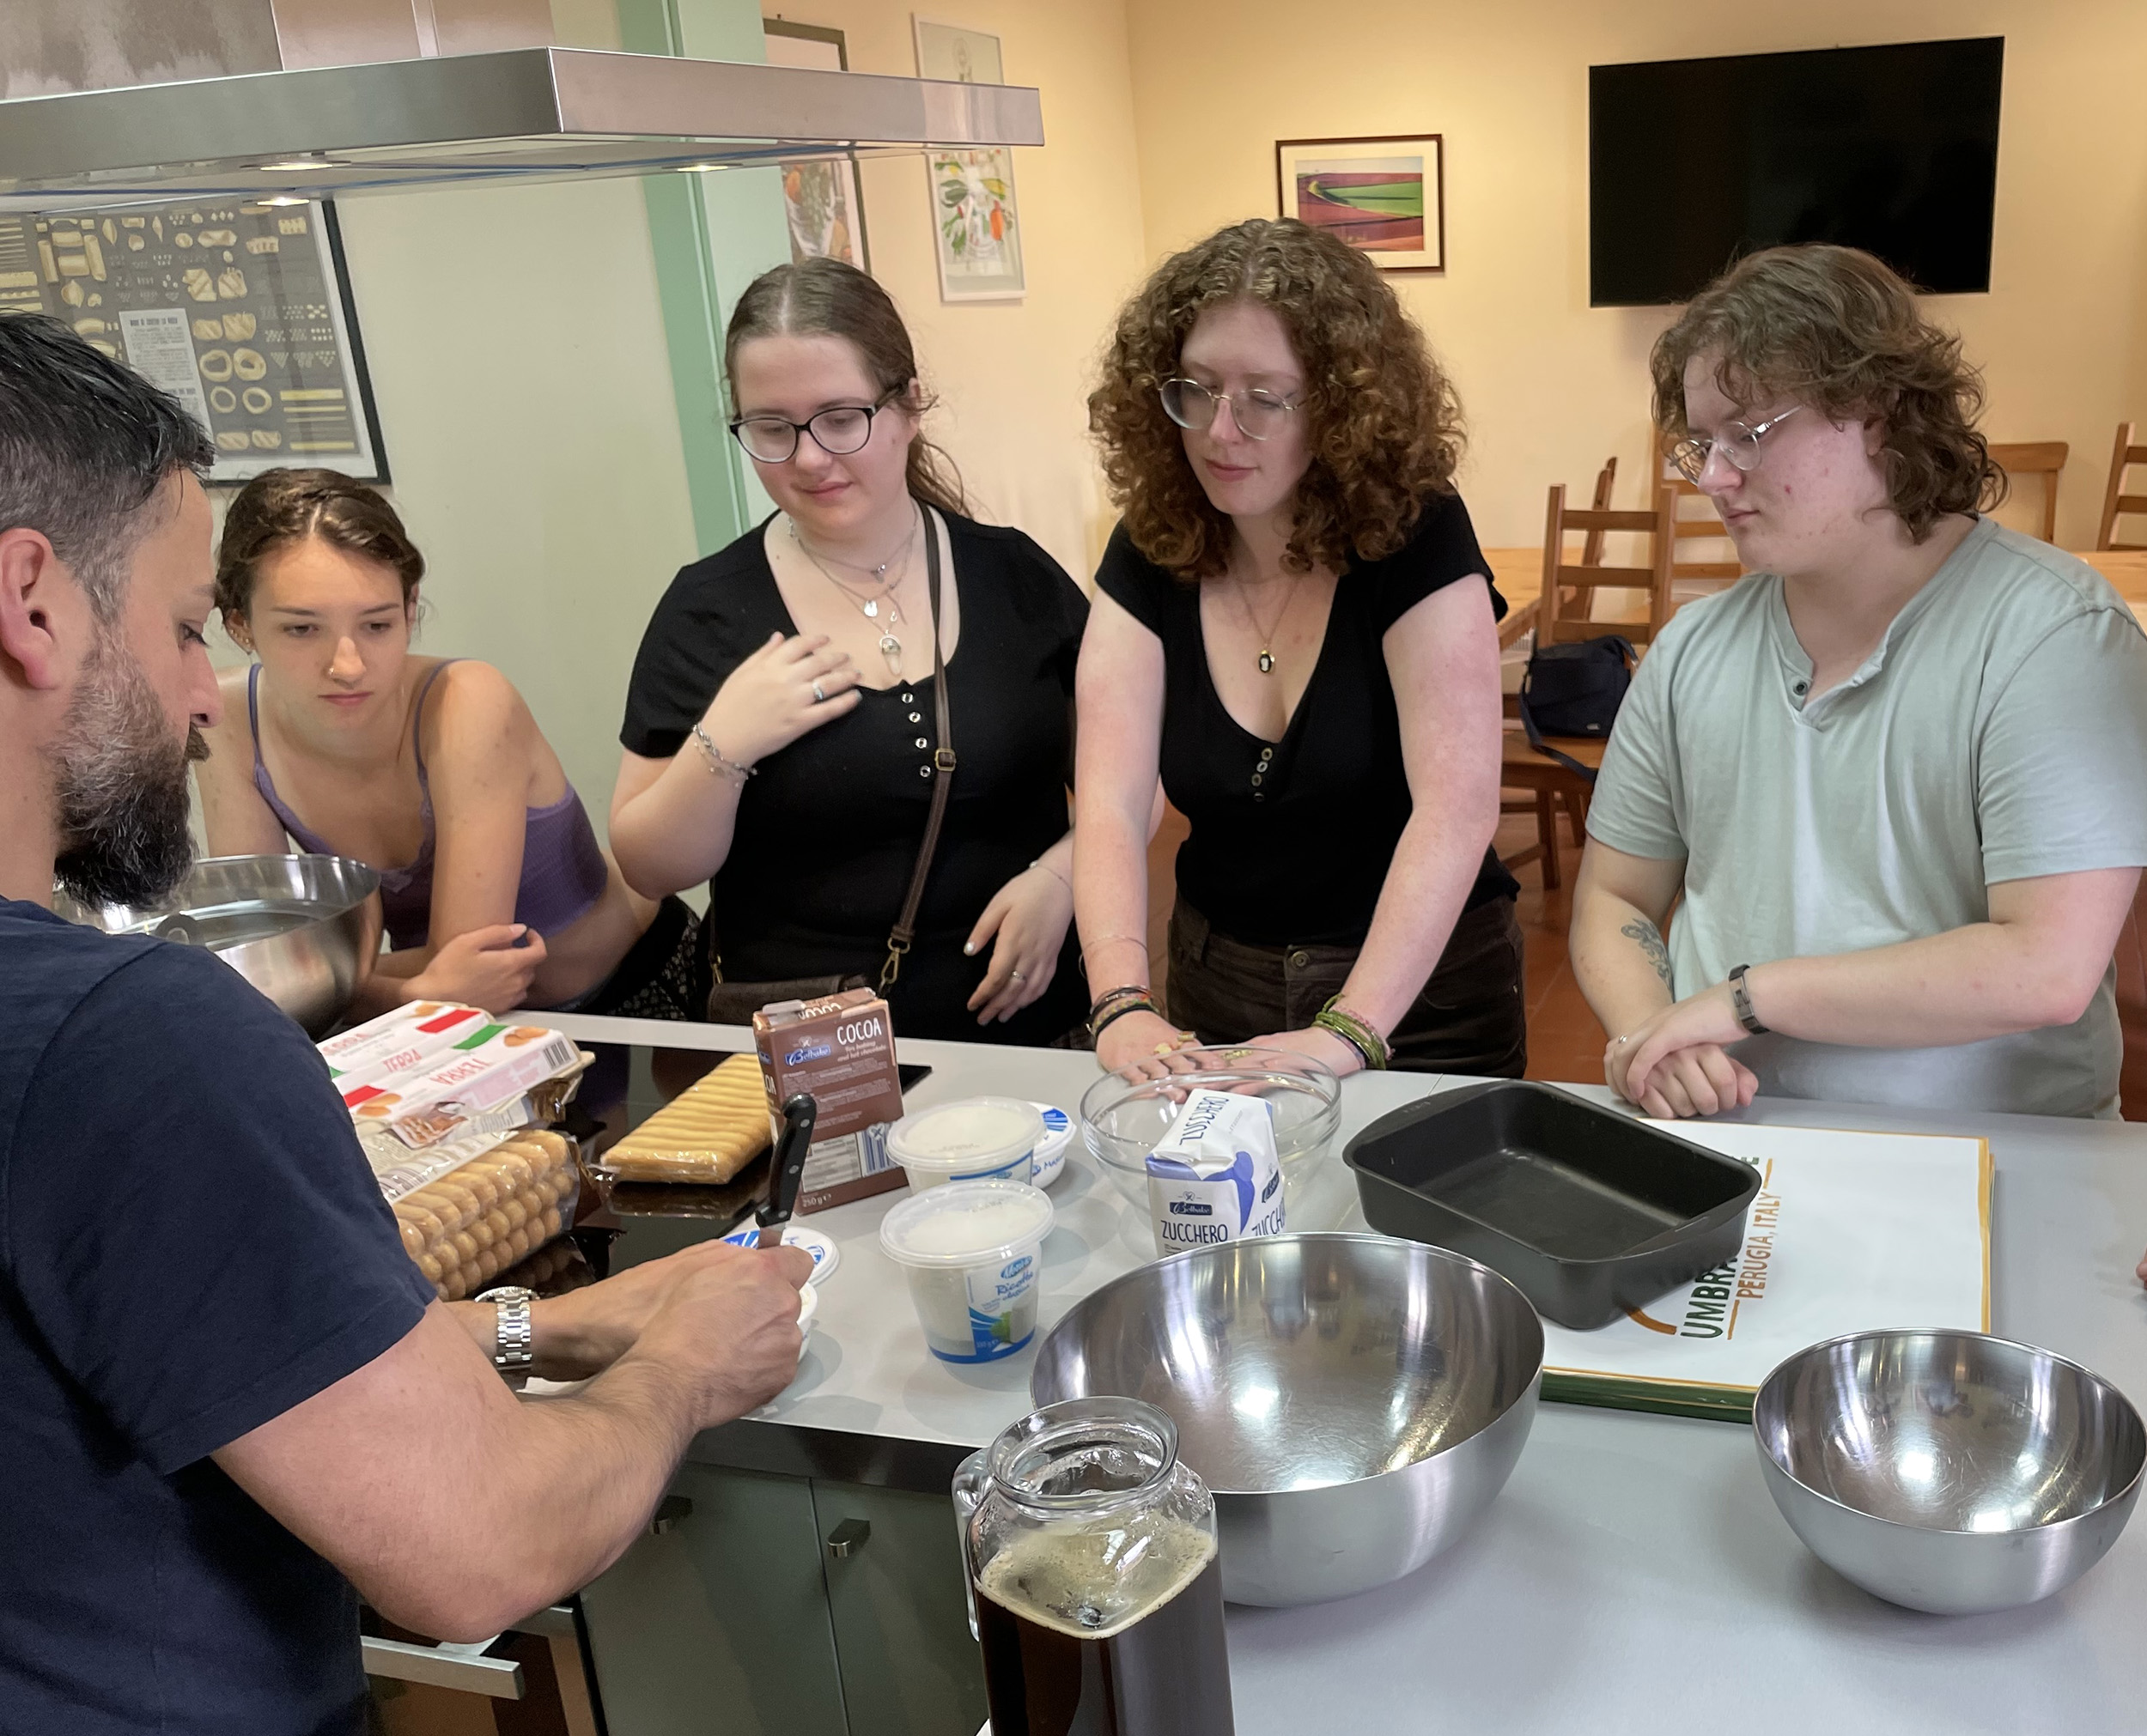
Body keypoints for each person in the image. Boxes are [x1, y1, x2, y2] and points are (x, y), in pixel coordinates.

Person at [0, 314, 812, 1736]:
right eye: (182, 628)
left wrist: (526, 1324)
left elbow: (134, 1385)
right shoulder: (121, 1044)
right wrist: (676, 1363)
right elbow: (477, 1544)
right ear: (34, 602)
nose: (209, 689)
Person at [1571, 243, 2147, 1120]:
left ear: (1877, 411)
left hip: (1992, 1149)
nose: (1715, 479)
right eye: (1702, 444)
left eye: (1750, 433)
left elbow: (2045, 968)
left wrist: (1739, 999)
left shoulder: (2052, 636)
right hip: (1735, 1130)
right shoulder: (1691, 648)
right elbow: (1616, 896)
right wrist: (1654, 1034)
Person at [1072, 217, 1519, 1079]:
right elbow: (1110, 803)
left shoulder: (1414, 533)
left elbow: (1455, 809)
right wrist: (1121, 1001)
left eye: (1264, 398)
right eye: (1194, 389)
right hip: (1219, 976)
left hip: (1420, 990)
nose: (1218, 431)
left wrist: (1349, 1031)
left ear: (1341, 407)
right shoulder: (1153, 541)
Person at [608, 258, 1090, 1045]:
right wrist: (721, 745)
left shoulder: (1015, 577)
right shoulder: (708, 609)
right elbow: (651, 867)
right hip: (808, 1063)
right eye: (771, 427)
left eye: (840, 418)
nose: (806, 458)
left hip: (1029, 1045)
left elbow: (1132, 784)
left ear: (908, 406)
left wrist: (1062, 879)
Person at [196, 469, 700, 1018]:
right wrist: (409, 992)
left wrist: (318, 982)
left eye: (378, 625)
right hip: (441, 1023)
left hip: (639, 989)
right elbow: (264, 963)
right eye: (302, 629)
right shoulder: (226, 718)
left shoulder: (468, 700)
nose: (348, 666)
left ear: (410, 608)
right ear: (241, 623)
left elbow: (469, 962)